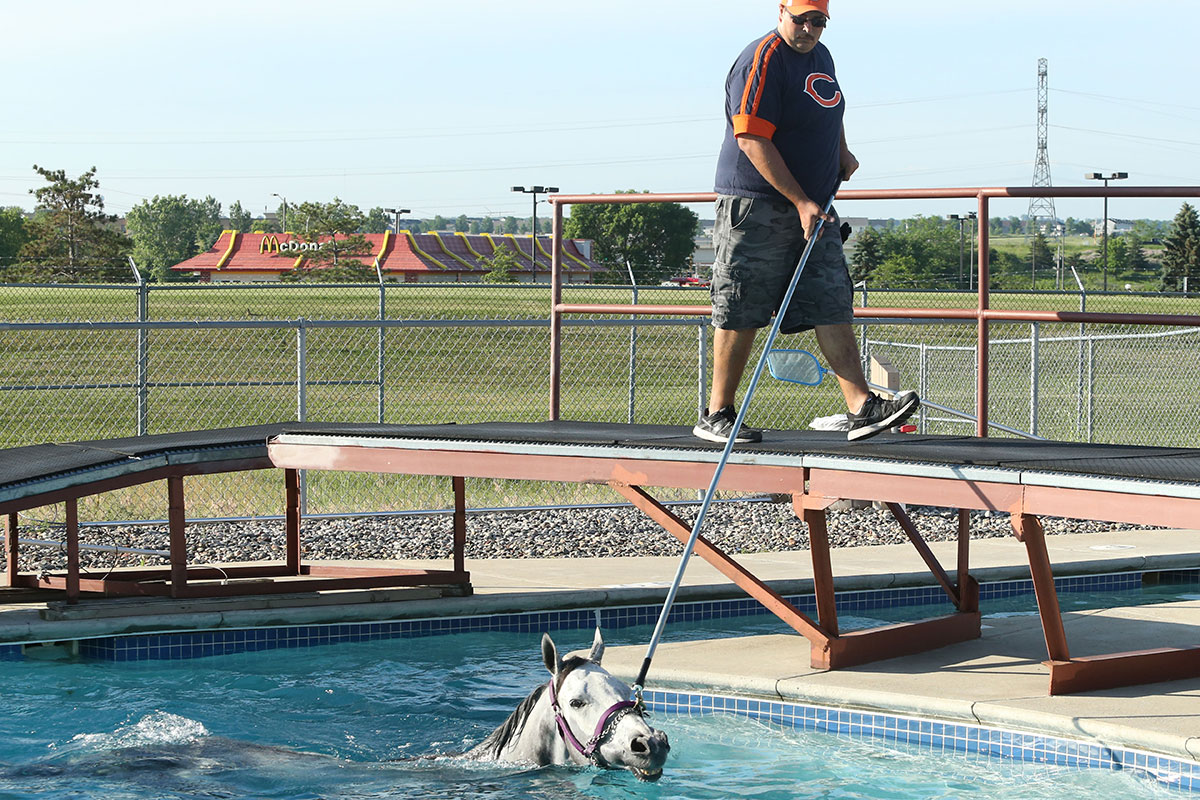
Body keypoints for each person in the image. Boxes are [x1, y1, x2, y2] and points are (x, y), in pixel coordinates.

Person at [693, 0, 919, 445]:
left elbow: (831, 110)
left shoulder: (821, 56)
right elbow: (752, 138)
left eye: (820, 22)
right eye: (803, 20)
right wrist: (798, 200)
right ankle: (717, 412)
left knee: (829, 296)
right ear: (781, 12)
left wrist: (841, 151)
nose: (811, 29)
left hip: (814, 206)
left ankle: (861, 406)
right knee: (742, 305)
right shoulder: (762, 59)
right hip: (756, 203)